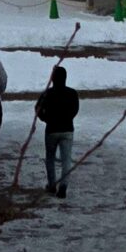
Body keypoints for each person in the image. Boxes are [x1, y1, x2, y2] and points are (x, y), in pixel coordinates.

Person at [34, 64, 81, 197]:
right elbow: (75, 110)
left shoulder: (47, 93)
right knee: (66, 159)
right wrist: (68, 118)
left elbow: (37, 108)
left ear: (52, 79)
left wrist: (45, 119)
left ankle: (52, 185)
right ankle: (63, 186)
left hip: (51, 130)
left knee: (50, 158)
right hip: (67, 129)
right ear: (65, 78)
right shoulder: (72, 93)